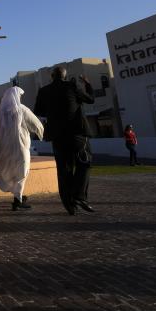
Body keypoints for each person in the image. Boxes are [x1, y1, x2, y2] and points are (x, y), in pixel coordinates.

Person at [34, 67, 95, 215]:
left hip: (57, 136)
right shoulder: (72, 86)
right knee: (85, 162)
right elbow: (90, 99)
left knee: (63, 169)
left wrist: (52, 112)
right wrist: (87, 84)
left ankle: (70, 204)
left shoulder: (44, 91)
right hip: (76, 134)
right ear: (65, 76)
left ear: (52, 77)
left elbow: (38, 111)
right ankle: (79, 195)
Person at [0, 86, 44, 211]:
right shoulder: (22, 109)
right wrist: (41, 133)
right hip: (20, 147)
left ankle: (18, 195)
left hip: (4, 149)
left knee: (12, 171)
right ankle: (18, 200)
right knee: (22, 172)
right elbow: (36, 124)